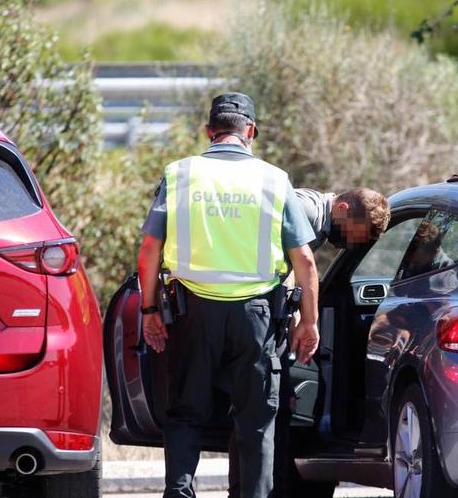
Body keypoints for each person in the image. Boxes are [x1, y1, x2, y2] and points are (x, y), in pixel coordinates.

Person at [137, 92, 321, 498]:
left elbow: (149, 249)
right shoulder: (274, 179)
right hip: (256, 317)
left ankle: (179, 493)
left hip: (192, 313)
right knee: (256, 420)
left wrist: (149, 309)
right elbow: (305, 261)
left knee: (185, 413)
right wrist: (309, 322)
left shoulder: (181, 174)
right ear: (250, 132)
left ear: (208, 132)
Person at [227, 187, 391, 498]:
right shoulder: (306, 211)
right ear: (342, 208)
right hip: (243, 316)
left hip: (254, 316)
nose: (356, 243)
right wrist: (305, 320)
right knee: (256, 408)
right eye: (359, 234)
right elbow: (286, 262)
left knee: (266, 407)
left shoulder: (315, 219)